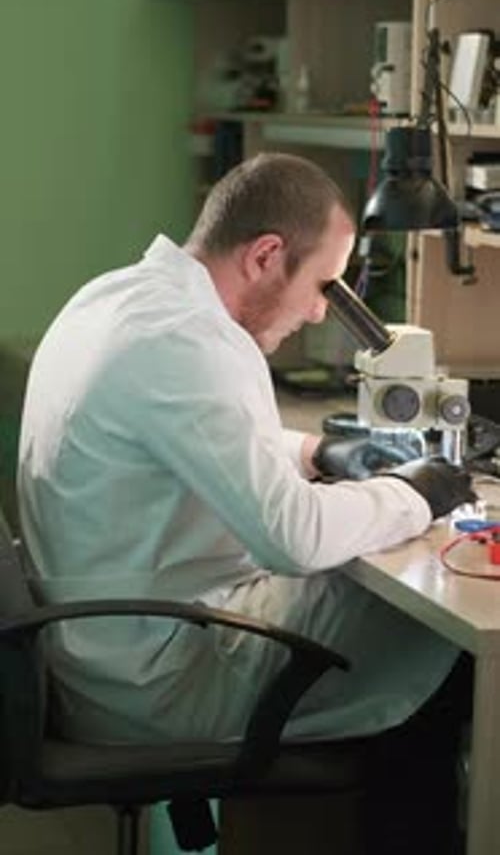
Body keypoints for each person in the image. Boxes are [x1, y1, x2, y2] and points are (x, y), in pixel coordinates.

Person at [18, 153, 473, 848]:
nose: (322, 308)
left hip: (107, 644)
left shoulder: (120, 299)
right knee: (453, 652)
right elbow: (290, 535)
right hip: (155, 675)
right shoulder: (185, 341)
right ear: (266, 255)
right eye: (321, 283)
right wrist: (414, 493)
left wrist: (316, 452)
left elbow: (193, 433)